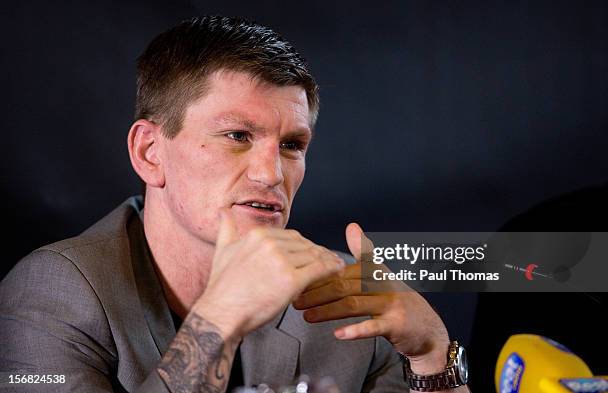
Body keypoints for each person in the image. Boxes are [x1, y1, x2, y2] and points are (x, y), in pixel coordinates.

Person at [0, 16, 469, 392]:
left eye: (291, 145)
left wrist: (431, 355)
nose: (271, 174)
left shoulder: (346, 299)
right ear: (150, 152)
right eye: (238, 136)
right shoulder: (53, 293)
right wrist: (218, 320)